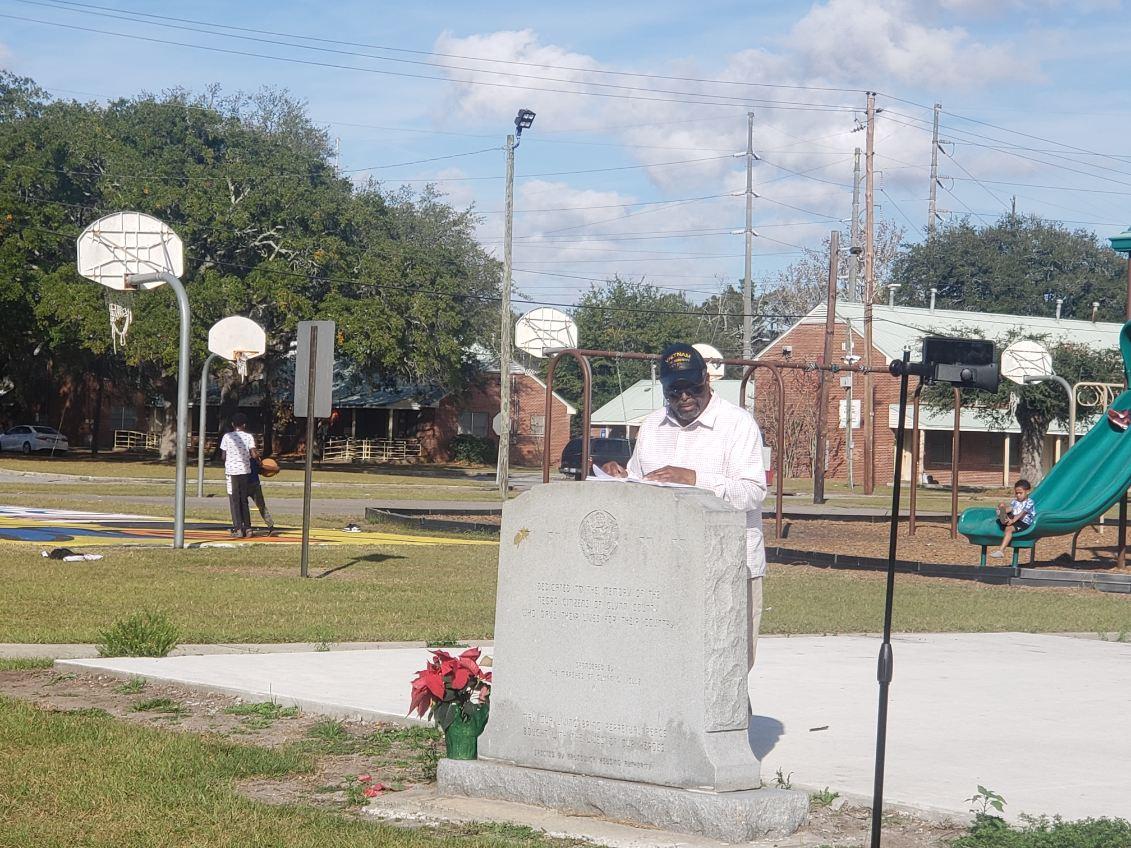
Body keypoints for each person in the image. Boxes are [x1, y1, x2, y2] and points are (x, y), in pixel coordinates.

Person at [601, 342, 768, 670]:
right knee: (672, 668)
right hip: (667, 567)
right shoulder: (652, 426)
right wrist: (617, 478)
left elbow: (752, 492)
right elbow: (639, 484)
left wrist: (694, 478)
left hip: (729, 568)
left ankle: (733, 723)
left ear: (707, 379)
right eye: (675, 391)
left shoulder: (738, 424)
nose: (685, 398)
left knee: (727, 668)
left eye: (692, 387)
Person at [220, 412, 258, 538]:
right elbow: (253, 454)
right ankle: (248, 528)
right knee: (244, 500)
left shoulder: (227, 437)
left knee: (234, 500)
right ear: (244, 425)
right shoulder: (248, 437)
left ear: (232, 424)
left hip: (232, 471)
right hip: (245, 471)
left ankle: (238, 528)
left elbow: (223, 456)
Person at [989, 478, 1035, 558]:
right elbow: (1011, 509)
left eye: (1020, 493)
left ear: (1027, 491)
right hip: (1014, 519)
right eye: (1016, 493)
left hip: (1024, 523)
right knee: (1002, 505)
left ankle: (1001, 551)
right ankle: (1004, 519)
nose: (1018, 495)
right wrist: (1002, 511)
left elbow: (1022, 513)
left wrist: (1013, 521)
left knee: (1009, 529)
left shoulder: (1029, 502)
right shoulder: (1015, 501)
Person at [246, 456, 275, 536]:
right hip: (253, 484)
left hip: (248, 484)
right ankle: (270, 526)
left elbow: (262, 470)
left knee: (246, 507)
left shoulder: (252, 459)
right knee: (261, 507)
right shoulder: (254, 459)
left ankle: (247, 528)